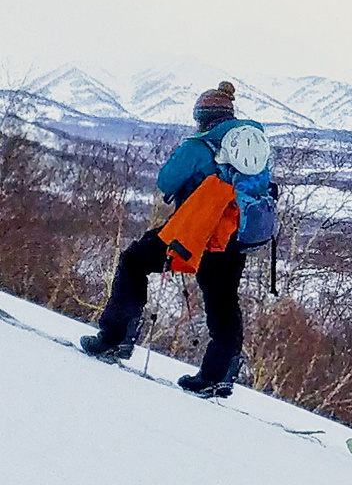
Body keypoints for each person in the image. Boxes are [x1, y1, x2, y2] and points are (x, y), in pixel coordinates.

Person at [81, 79, 269, 397]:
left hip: (195, 233)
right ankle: (218, 374)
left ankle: (115, 338)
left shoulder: (199, 146)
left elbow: (166, 181)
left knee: (134, 261)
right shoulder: (255, 145)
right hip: (235, 236)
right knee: (223, 301)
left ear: (202, 117)